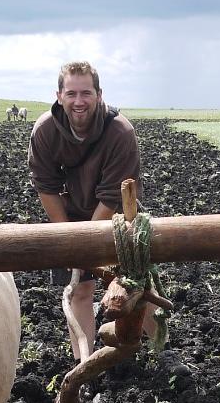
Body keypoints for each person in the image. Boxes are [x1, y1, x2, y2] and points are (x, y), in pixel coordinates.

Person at [28, 60, 142, 365]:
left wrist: (85, 241)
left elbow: (112, 196)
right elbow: (46, 186)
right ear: (59, 95)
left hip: (117, 217)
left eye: (86, 93)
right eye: (72, 93)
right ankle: (85, 362)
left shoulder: (120, 132)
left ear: (99, 95)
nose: (79, 101)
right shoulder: (45, 131)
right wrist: (69, 238)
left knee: (134, 285)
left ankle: (153, 345)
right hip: (68, 216)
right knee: (79, 289)